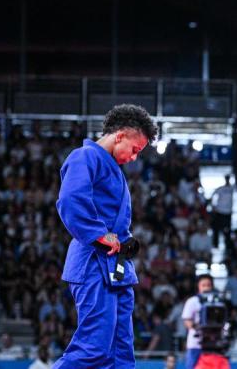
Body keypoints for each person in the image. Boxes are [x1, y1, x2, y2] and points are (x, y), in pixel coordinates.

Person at [52, 104, 158, 369]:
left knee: (121, 353)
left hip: (117, 268)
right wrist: (99, 234)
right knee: (94, 347)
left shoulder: (113, 170)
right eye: (135, 149)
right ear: (120, 135)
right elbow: (70, 199)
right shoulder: (85, 156)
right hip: (93, 263)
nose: (134, 158)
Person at [182, 274, 214, 369]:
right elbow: (187, 320)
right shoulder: (192, 301)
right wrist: (198, 328)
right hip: (196, 343)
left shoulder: (217, 301)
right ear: (198, 286)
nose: (206, 287)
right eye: (203, 285)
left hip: (212, 342)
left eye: (208, 285)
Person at [210, 175, 234, 248]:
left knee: (227, 230)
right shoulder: (221, 189)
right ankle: (215, 244)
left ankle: (227, 246)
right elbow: (213, 195)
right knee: (216, 229)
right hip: (219, 211)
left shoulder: (232, 188)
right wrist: (213, 206)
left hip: (228, 212)